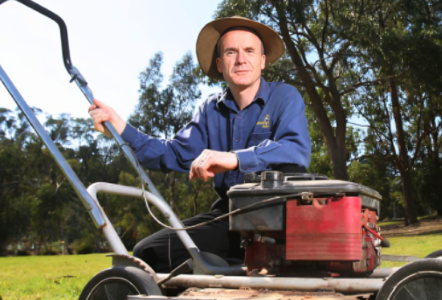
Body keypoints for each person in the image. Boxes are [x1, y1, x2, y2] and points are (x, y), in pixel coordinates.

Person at [88, 16, 311, 273]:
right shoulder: (209, 110)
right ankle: (226, 271)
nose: (241, 59)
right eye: (231, 52)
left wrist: (235, 158)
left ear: (262, 60)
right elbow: (172, 152)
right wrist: (121, 128)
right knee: (148, 252)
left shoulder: (285, 97)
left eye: (250, 51)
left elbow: (295, 149)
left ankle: (237, 269)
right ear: (220, 63)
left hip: (279, 215)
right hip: (229, 218)